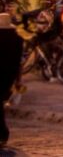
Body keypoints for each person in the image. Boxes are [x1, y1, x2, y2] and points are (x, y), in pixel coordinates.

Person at [0, 13, 23, 146]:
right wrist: (19, 79)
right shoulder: (17, 37)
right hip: (10, 74)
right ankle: (3, 133)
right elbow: (20, 61)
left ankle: (3, 133)